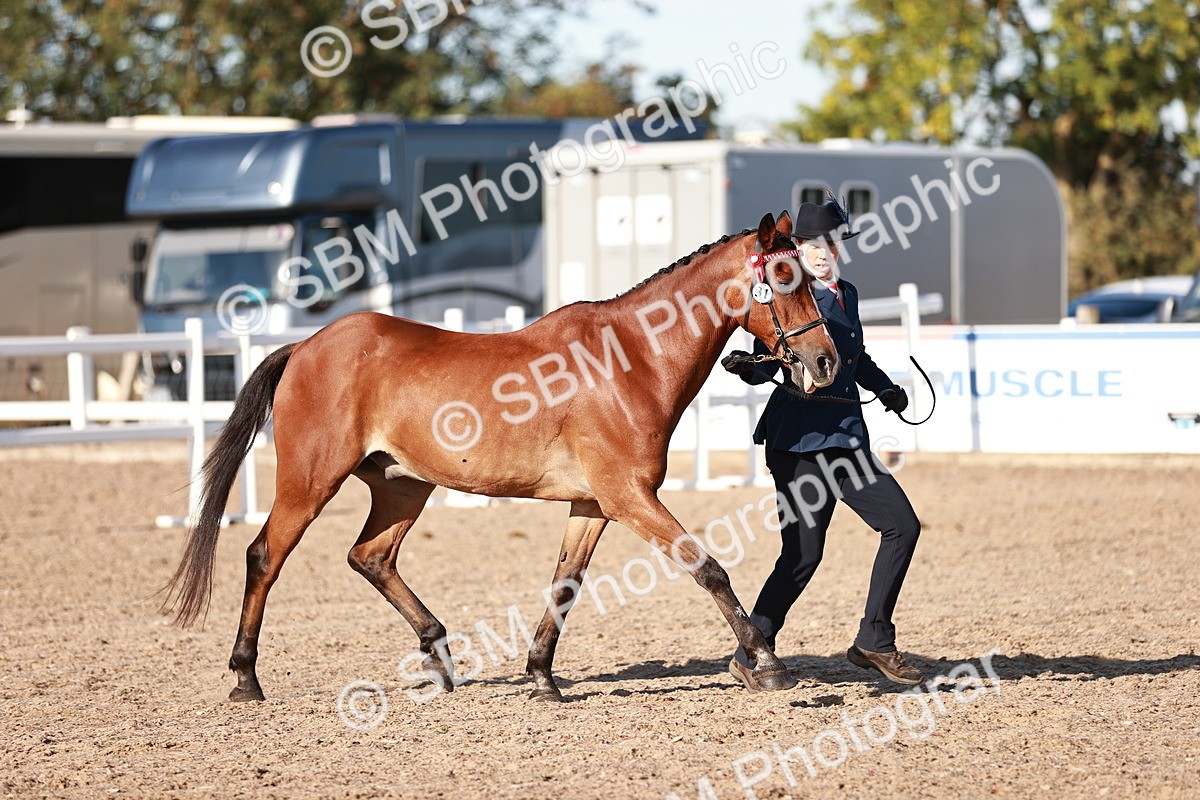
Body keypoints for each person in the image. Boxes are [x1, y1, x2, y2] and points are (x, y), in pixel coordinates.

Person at [722, 197, 924, 689]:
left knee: (902, 526)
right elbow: (767, 356)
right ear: (797, 248)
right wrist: (752, 369)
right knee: (802, 555)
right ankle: (753, 650)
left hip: (846, 439)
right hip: (798, 442)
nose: (822, 252)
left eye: (831, 243)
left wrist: (885, 388)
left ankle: (874, 638)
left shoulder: (847, 293)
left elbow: (853, 354)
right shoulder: (790, 293)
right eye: (811, 244)